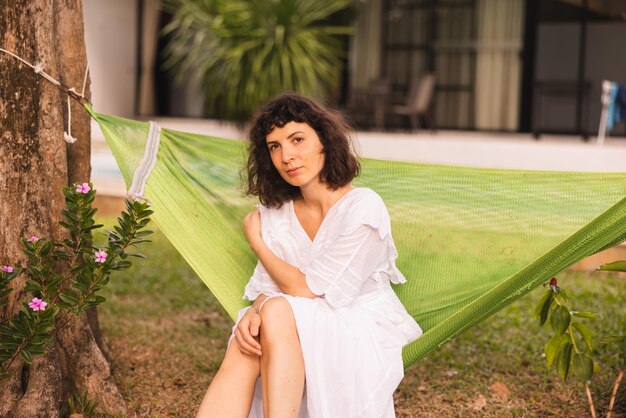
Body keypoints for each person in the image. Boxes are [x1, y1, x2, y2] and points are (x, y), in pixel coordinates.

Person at [196, 92, 422, 417]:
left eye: (297, 139)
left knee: (274, 312)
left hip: (356, 322)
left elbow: (312, 289)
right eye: (275, 146)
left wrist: (256, 242)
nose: (287, 155)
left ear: (324, 141)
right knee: (248, 337)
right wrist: (251, 314)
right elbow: (268, 288)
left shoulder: (363, 208)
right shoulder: (276, 212)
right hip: (289, 317)